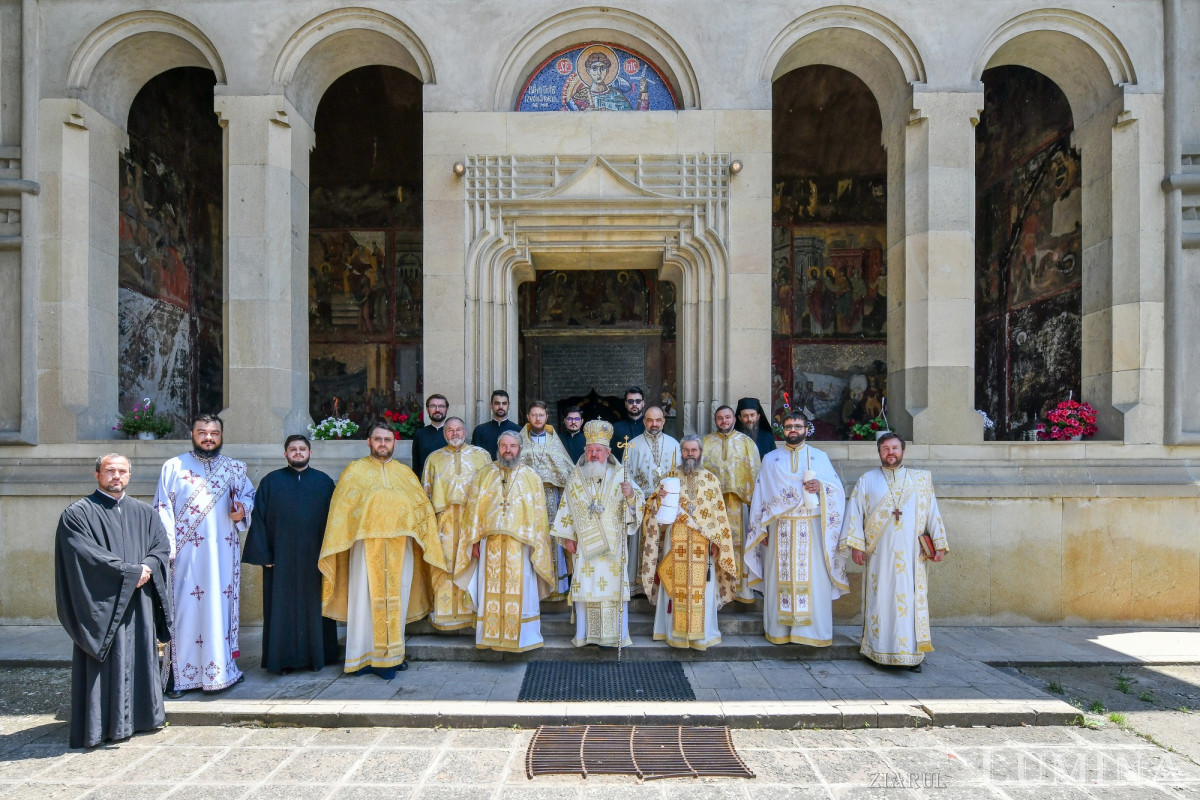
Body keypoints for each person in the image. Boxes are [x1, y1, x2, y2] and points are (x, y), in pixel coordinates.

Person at [55, 454, 172, 749]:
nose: (116, 476)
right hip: (103, 605)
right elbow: (84, 555)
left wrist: (147, 566)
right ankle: (100, 727)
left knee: (141, 655)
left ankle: (143, 718)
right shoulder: (77, 514)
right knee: (106, 658)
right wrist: (131, 572)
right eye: (110, 471)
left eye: (122, 471)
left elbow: (161, 546)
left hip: (139, 602)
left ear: (130, 476)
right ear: (97, 475)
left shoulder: (145, 513)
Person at [319, 421, 446, 679]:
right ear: (369, 442)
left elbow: (421, 510)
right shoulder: (354, 471)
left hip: (401, 548)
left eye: (387, 440)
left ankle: (393, 656)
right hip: (366, 548)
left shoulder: (405, 474)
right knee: (363, 601)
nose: (383, 444)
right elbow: (341, 511)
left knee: (396, 599)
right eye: (378, 439)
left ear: (394, 443)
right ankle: (360, 657)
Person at [153, 413, 254, 696]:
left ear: (221, 436)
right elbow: (162, 508)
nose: (208, 437)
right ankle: (181, 677)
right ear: (193, 434)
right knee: (184, 613)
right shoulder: (173, 467)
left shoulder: (234, 468)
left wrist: (242, 510)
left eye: (214, 433)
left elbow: (249, 497)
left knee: (219, 613)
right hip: (186, 557)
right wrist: (169, 551)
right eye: (202, 432)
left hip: (223, 555)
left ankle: (222, 671)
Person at [841, 432, 948, 672]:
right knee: (880, 601)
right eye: (886, 448)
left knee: (910, 602)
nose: (891, 452)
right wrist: (857, 546)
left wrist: (938, 544)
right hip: (879, 556)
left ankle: (911, 655)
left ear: (903, 451)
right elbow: (855, 513)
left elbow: (932, 512)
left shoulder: (920, 480)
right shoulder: (867, 480)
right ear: (879, 452)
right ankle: (876, 651)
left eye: (895, 448)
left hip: (913, 555)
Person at [745, 411, 849, 646]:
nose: (793, 429)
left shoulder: (820, 457)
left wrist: (821, 486)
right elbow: (760, 496)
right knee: (778, 579)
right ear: (782, 429)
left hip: (811, 527)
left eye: (798, 426)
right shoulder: (771, 459)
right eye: (789, 426)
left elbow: (838, 492)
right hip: (778, 528)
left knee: (813, 579)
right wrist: (760, 528)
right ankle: (779, 632)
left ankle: (812, 633)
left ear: (806, 429)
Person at [242, 434, 338, 674]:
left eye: (302, 449)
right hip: (280, 560)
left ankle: (319, 657)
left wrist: (332, 554)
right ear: (285, 454)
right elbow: (259, 519)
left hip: (315, 559)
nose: (297, 452)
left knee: (315, 607)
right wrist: (265, 556)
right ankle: (281, 660)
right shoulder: (271, 482)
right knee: (280, 609)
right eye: (293, 449)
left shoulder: (324, 482)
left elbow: (336, 520)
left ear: (310, 453)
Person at [454, 431, 556, 651]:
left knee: (521, 589)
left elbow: (539, 517)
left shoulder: (531, 476)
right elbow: (473, 511)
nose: (508, 450)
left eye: (513, 446)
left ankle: (522, 638)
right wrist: (472, 542)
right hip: (488, 544)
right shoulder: (484, 474)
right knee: (488, 588)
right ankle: (489, 637)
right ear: (498, 447)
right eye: (503, 446)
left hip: (519, 547)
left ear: (520, 449)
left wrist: (536, 546)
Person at [550, 421, 645, 647]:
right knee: (587, 588)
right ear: (585, 451)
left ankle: (617, 637)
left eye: (598, 451)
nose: (593, 455)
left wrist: (631, 495)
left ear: (608, 452)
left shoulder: (622, 474)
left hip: (613, 546)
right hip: (585, 546)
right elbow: (566, 509)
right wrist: (567, 537)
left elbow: (637, 507)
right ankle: (584, 635)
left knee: (612, 589)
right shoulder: (576, 476)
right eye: (590, 450)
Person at [641, 436, 737, 650]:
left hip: (704, 545)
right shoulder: (669, 478)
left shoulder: (711, 480)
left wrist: (717, 543)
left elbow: (719, 516)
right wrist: (658, 498)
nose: (690, 454)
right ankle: (672, 634)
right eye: (686, 450)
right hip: (676, 541)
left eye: (694, 450)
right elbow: (652, 510)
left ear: (700, 452)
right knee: (674, 585)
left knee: (703, 588)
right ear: (681, 452)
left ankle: (703, 634)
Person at [421, 416, 491, 630]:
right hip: (444, 523)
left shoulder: (482, 456)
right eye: (450, 430)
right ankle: (445, 615)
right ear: (444, 434)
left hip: (473, 521)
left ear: (465, 431)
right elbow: (426, 492)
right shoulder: (433, 458)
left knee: (472, 562)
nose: (455, 433)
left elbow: (491, 490)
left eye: (458, 429)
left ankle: (472, 613)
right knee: (446, 564)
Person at [701, 405, 763, 603]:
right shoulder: (705, 442)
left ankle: (740, 590)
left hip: (739, 503)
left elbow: (756, 473)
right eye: (720, 418)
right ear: (715, 420)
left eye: (727, 417)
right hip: (712, 505)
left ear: (734, 419)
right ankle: (714, 589)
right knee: (713, 544)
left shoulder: (747, 443)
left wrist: (754, 504)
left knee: (738, 544)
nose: (724, 421)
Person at [519, 400, 576, 600]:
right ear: (528, 417)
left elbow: (567, 469)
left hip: (552, 498)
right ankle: (532, 586)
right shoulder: (519, 441)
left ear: (546, 417)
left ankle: (555, 588)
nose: (537, 419)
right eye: (533, 415)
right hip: (526, 501)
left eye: (541, 415)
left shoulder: (554, 441)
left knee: (553, 539)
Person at [625, 405, 680, 592]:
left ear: (664, 421)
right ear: (644, 421)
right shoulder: (631, 445)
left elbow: (680, 475)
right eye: (650, 420)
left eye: (658, 420)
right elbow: (626, 476)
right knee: (641, 547)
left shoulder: (674, 445)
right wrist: (640, 496)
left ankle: (662, 586)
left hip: (667, 505)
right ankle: (639, 587)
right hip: (643, 505)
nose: (654, 424)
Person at [471, 389, 521, 459]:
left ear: (508, 406)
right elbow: (475, 458)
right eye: (497, 403)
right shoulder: (479, 431)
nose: (501, 407)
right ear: (491, 405)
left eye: (504, 403)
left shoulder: (518, 430)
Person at [411, 393, 450, 479]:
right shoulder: (420, 434)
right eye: (433, 406)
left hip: (449, 483)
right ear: (427, 410)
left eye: (441, 406)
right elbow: (416, 464)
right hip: (426, 482)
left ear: (446, 409)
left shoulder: (453, 433)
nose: (437, 409)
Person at [609, 386, 646, 451]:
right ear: (625, 404)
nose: (634, 404)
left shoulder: (651, 426)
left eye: (638, 401)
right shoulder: (616, 428)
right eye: (630, 401)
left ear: (643, 403)